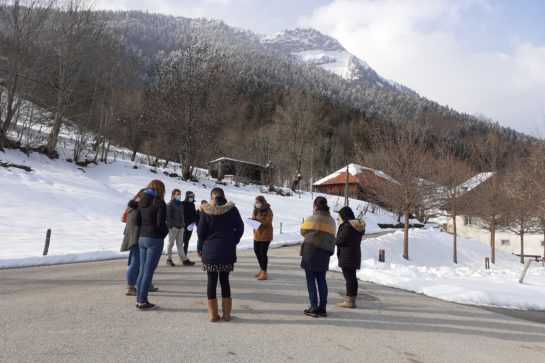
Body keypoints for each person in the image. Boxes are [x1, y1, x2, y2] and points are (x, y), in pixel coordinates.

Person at [197, 188, 244, 322]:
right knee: (225, 280)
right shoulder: (232, 210)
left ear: (212, 197)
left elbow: (200, 233)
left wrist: (200, 247)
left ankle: (213, 314)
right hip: (227, 250)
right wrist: (234, 240)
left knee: (211, 281)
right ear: (223, 196)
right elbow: (240, 227)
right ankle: (227, 314)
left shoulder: (205, 210)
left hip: (209, 251)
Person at [134, 179, 169, 310]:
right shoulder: (159, 202)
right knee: (148, 271)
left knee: (142, 270)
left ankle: (139, 299)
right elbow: (161, 223)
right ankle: (143, 301)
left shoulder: (142, 200)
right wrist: (165, 232)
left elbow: (137, 221)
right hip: (154, 238)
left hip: (142, 237)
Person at [300, 196, 336, 318]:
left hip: (311, 251)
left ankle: (313, 306)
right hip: (324, 252)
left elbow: (303, 231)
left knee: (310, 279)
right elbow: (332, 237)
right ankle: (323, 308)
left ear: (315, 205)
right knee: (321, 279)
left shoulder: (311, 218)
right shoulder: (331, 220)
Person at [120, 189, 158, 296]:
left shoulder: (133, 206)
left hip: (135, 237)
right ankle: (130, 286)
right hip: (137, 237)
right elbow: (138, 224)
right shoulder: (138, 207)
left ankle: (144, 284)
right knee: (136, 262)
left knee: (140, 263)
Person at [335, 206, 365, 309]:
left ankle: (349, 301)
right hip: (354, 254)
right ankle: (351, 300)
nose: (338, 219)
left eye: (339, 217)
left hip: (347, 255)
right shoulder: (356, 225)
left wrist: (335, 238)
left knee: (349, 278)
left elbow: (340, 240)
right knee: (352, 278)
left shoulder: (347, 226)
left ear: (343, 216)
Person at [166, 189, 195, 266]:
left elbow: (182, 215)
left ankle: (184, 259)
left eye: (180, 194)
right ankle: (168, 259)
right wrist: (171, 226)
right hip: (173, 227)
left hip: (181, 227)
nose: (179, 196)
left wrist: (182, 224)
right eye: (177, 194)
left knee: (180, 244)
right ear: (173, 195)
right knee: (170, 243)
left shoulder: (180, 205)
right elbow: (168, 217)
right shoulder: (170, 204)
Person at [252, 196, 273, 281]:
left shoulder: (268, 210)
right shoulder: (255, 210)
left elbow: (268, 222)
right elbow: (254, 219)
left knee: (262, 253)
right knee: (256, 251)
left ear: (263, 202)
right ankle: (261, 269)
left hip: (266, 235)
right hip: (257, 234)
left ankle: (264, 272)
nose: (257, 204)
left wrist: (258, 220)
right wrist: (252, 221)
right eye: (256, 202)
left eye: (259, 202)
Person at [182, 191, 197, 257]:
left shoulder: (192, 204)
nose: (191, 197)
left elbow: (194, 214)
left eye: (192, 196)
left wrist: (194, 221)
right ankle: (181, 255)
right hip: (183, 224)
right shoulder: (182, 203)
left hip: (190, 225)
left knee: (187, 241)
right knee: (182, 240)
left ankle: (185, 254)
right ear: (187, 196)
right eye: (190, 196)